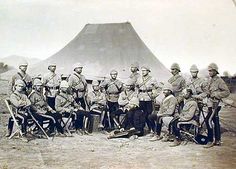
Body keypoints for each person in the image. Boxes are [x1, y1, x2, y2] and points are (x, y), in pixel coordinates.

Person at [204, 63, 230, 148]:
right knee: (215, 121)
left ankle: (210, 140)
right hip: (211, 104)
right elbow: (209, 91)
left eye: (211, 71)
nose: (210, 72)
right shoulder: (210, 80)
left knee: (208, 120)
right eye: (209, 71)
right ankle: (218, 140)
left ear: (215, 71)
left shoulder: (219, 81)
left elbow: (227, 92)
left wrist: (216, 94)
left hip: (216, 104)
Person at [136, 65, 160, 133]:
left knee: (149, 114)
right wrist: (137, 95)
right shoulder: (139, 79)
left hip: (148, 98)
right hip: (141, 98)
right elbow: (136, 87)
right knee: (142, 114)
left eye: (144, 70)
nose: (143, 72)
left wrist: (154, 95)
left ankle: (153, 129)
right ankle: (144, 128)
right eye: (142, 70)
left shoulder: (152, 79)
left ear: (148, 71)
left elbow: (158, 88)